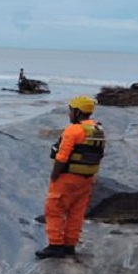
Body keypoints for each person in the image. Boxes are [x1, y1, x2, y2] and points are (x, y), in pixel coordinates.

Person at [36, 96, 106, 259]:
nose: (69, 113)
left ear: (77, 112)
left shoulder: (73, 130)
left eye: (70, 110)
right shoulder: (98, 130)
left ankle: (55, 245)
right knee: (77, 213)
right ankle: (69, 245)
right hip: (87, 179)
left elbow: (62, 156)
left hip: (67, 177)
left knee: (54, 210)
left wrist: (54, 175)